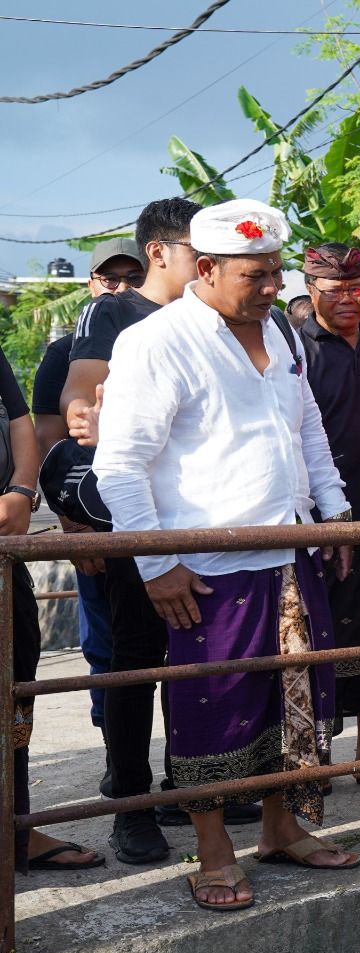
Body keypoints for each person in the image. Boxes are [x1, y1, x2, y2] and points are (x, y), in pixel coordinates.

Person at [93, 199, 360, 910]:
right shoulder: (157, 342)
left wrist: (334, 513)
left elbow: (306, 426)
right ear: (206, 268)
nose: (273, 287)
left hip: (289, 547)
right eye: (256, 275)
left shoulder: (279, 330)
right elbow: (120, 465)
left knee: (293, 698)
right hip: (207, 566)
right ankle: (213, 853)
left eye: (276, 271)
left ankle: (281, 828)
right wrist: (157, 565)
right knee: (214, 710)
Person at [60, 197, 221, 866]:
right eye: (198, 252)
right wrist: (87, 422)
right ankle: (129, 801)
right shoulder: (115, 312)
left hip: (206, 518)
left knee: (199, 661)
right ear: (161, 252)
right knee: (134, 660)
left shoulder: (215, 315)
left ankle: (192, 788)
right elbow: (80, 398)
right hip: (138, 512)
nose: (210, 264)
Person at [31, 237, 145, 735]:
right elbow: (47, 441)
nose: (120, 288)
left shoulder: (168, 339)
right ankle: (117, 760)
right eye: (110, 279)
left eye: (132, 279)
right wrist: (72, 526)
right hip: (95, 523)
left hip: (161, 518)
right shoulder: (64, 353)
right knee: (106, 645)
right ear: (91, 283)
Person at [5, 342, 102, 876]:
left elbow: (20, 419)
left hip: (4, 551)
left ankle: (16, 829)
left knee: (15, 696)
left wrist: (22, 491)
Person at [298, 242, 360, 786]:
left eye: (357, 289)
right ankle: (318, 753)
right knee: (318, 633)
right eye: (334, 291)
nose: (348, 299)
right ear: (312, 291)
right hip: (319, 515)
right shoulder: (297, 350)